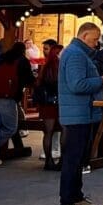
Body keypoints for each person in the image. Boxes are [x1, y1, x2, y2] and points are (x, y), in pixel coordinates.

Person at [56, 23, 103, 205]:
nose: (96, 43)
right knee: (72, 160)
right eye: (94, 38)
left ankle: (76, 197)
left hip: (82, 112)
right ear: (85, 34)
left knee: (79, 158)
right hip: (77, 114)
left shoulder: (79, 54)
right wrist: (101, 81)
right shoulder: (75, 55)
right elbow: (77, 84)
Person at [0, 42, 33, 167]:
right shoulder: (22, 61)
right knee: (10, 128)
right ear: (23, 50)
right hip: (6, 97)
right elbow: (29, 80)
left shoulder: (3, 57)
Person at [35, 42, 63, 171]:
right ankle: (62, 160)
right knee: (64, 131)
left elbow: (39, 84)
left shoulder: (45, 67)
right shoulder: (61, 66)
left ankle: (48, 160)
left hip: (46, 103)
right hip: (60, 103)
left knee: (48, 133)